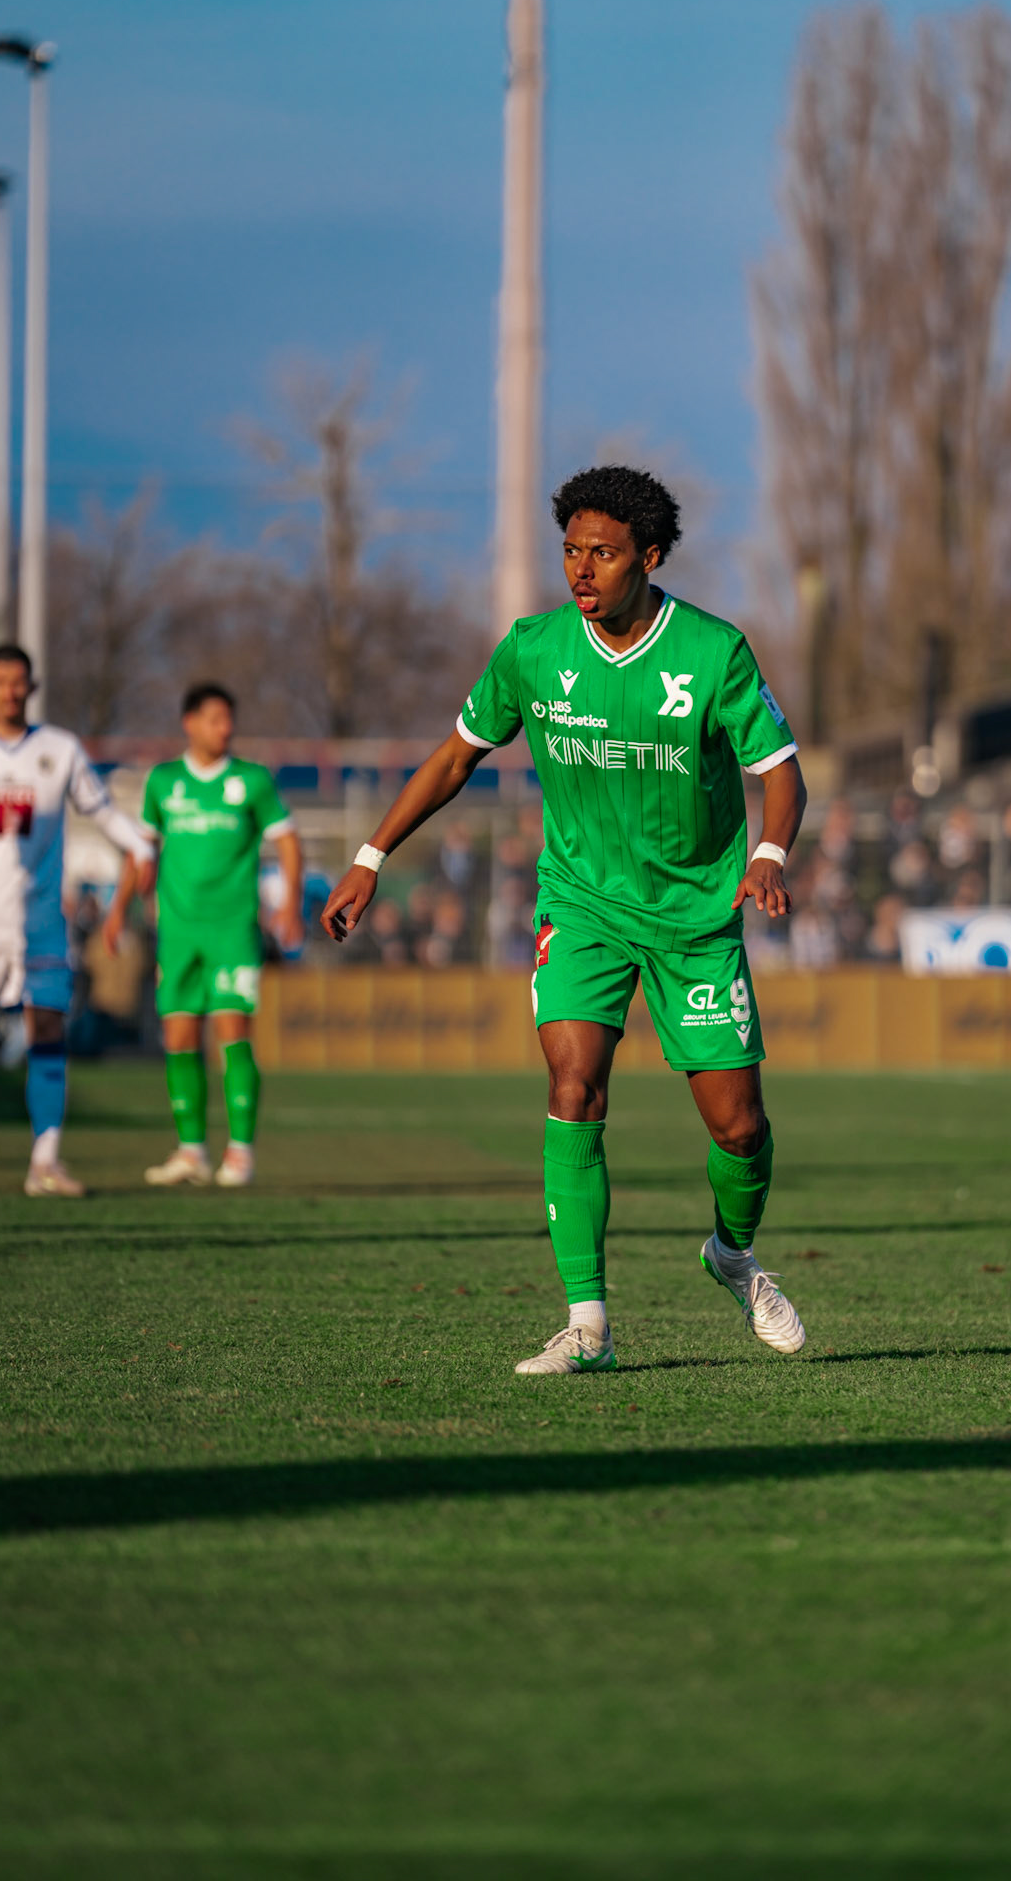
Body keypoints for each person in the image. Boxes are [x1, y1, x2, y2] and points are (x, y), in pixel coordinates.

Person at [322, 464, 809, 1375]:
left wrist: (768, 854)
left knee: (737, 1128)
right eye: (571, 551)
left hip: (695, 918)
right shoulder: (532, 649)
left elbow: (780, 770)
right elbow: (455, 758)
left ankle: (731, 1256)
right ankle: (588, 1325)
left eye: (603, 553)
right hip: (580, 904)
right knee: (572, 1084)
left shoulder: (712, 652)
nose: (581, 569)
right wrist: (369, 857)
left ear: (650, 558)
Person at [104, 683, 303, 1188]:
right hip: (177, 930)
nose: (225, 728)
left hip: (233, 928)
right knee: (178, 1035)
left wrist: (291, 906)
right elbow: (141, 850)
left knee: (233, 1032)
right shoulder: (164, 781)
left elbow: (288, 842)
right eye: (215, 719)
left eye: (229, 719)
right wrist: (117, 909)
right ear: (189, 722)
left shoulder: (252, 781)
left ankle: (239, 1153)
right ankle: (191, 1152)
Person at [0, 645, 153, 1194]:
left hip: (38, 919)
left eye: (19, 682)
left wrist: (141, 848)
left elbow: (100, 810)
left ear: (32, 687)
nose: (10, 691)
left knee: (48, 1031)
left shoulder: (59, 750)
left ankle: (45, 1160)